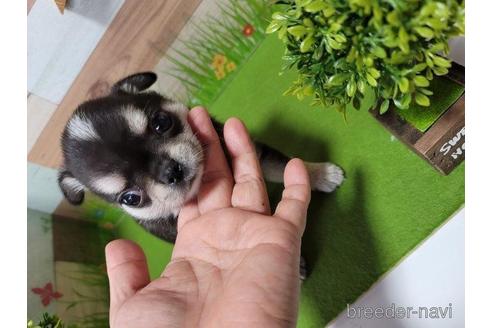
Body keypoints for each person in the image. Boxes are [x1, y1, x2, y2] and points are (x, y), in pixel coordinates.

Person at [105, 107, 312, 327]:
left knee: (250, 154)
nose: (168, 172)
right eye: (132, 197)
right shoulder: (164, 224)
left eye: (160, 125)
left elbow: (260, 156)